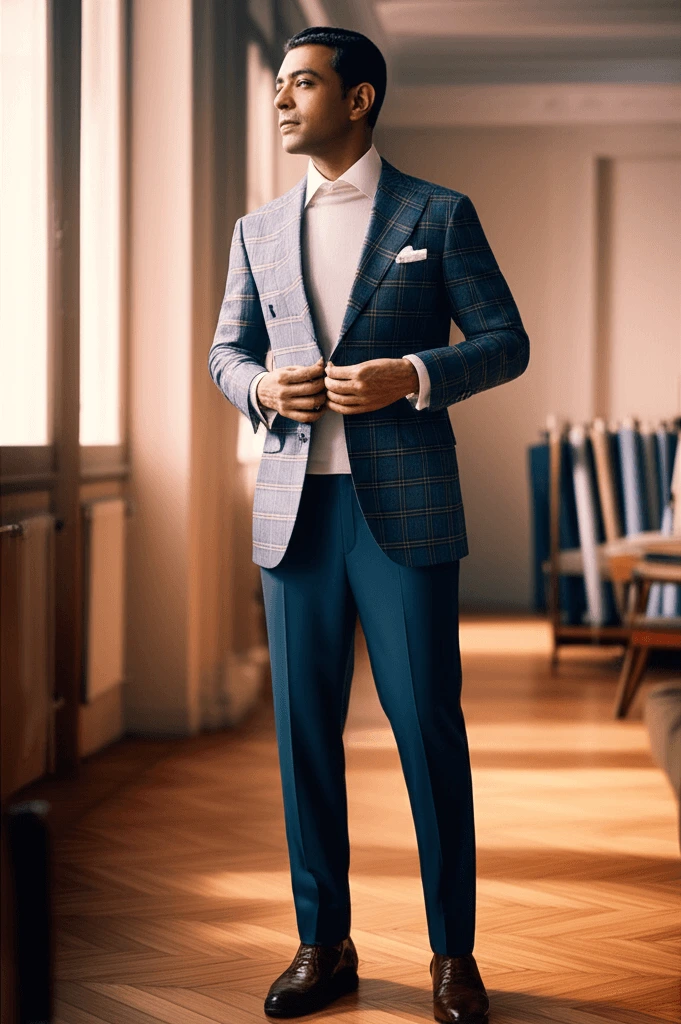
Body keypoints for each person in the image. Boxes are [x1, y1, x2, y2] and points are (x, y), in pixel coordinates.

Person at [208, 26, 530, 1024]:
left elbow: (507, 341)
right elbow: (226, 352)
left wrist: (417, 375)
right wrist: (261, 386)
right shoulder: (257, 229)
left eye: (303, 82)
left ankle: (452, 957)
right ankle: (324, 944)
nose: (282, 98)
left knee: (429, 730)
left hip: (407, 516)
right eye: (280, 83)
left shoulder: (440, 212)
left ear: (360, 99)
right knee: (304, 737)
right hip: (294, 519)